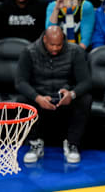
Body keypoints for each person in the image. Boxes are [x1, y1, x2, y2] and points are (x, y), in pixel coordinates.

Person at [15, 26, 92, 164]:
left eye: (59, 44)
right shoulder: (29, 51)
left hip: (64, 96)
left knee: (85, 99)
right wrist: (37, 97)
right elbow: (20, 82)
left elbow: (86, 82)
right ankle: (35, 143)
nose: (56, 48)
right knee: (22, 99)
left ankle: (72, 144)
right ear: (44, 39)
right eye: (52, 45)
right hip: (40, 95)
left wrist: (72, 94)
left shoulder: (75, 51)